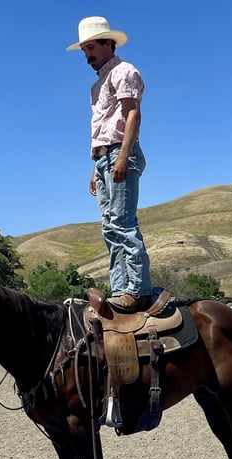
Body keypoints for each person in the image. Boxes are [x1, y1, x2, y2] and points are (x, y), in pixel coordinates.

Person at [67, 16, 153, 312]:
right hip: (103, 157)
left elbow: (133, 115)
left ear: (108, 43)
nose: (87, 54)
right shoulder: (97, 86)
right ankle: (120, 288)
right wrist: (95, 168)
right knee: (109, 227)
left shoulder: (124, 71)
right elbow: (102, 127)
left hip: (120, 153)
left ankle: (139, 289)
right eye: (83, 50)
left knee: (122, 222)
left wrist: (121, 156)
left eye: (90, 47)